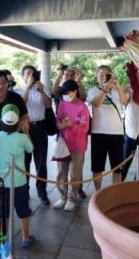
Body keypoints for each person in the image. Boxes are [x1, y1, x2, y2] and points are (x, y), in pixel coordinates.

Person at [0, 104, 36, 249]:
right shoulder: (22, 138)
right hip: (20, 181)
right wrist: (26, 131)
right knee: (23, 210)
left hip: (2, 182)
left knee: (3, 213)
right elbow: (31, 149)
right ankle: (25, 237)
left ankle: (2, 241)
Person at [15, 65, 52, 206]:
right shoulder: (19, 90)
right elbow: (20, 105)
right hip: (24, 128)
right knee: (24, 162)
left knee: (41, 162)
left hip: (40, 128)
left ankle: (42, 192)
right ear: (23, 76)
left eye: (33, 73)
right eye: (28, 74)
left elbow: (48, 106)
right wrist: (28, 87)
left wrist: (42, 91)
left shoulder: (42, 88)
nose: (31, 76)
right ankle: (24, 191)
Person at [87, 65, 127, 191]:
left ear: (111, 75)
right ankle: (97, 193)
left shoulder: (116, 91)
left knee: (117, 168)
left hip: (117, 133)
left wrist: (118, 85)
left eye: (106, 74)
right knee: (97, 168)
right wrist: (105, 90)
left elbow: (125, 102)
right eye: (101, 75)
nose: (104, 77)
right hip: (99, 133)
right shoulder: (93, 90)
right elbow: (97, 104)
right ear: (96, 76)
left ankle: (115, 194)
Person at [54, 80, 90, 211]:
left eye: (68, 92)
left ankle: (72, 198)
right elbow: (58, 120)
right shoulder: (62, 104)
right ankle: (63, 197)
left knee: (75, 173)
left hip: (78, 144)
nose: (66, 95)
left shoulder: (83, 107)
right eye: (64, 93)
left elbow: (85, 127)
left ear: (75, 91)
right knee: (61, 172)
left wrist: (72, 126)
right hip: (64, 143)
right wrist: (61, 125)